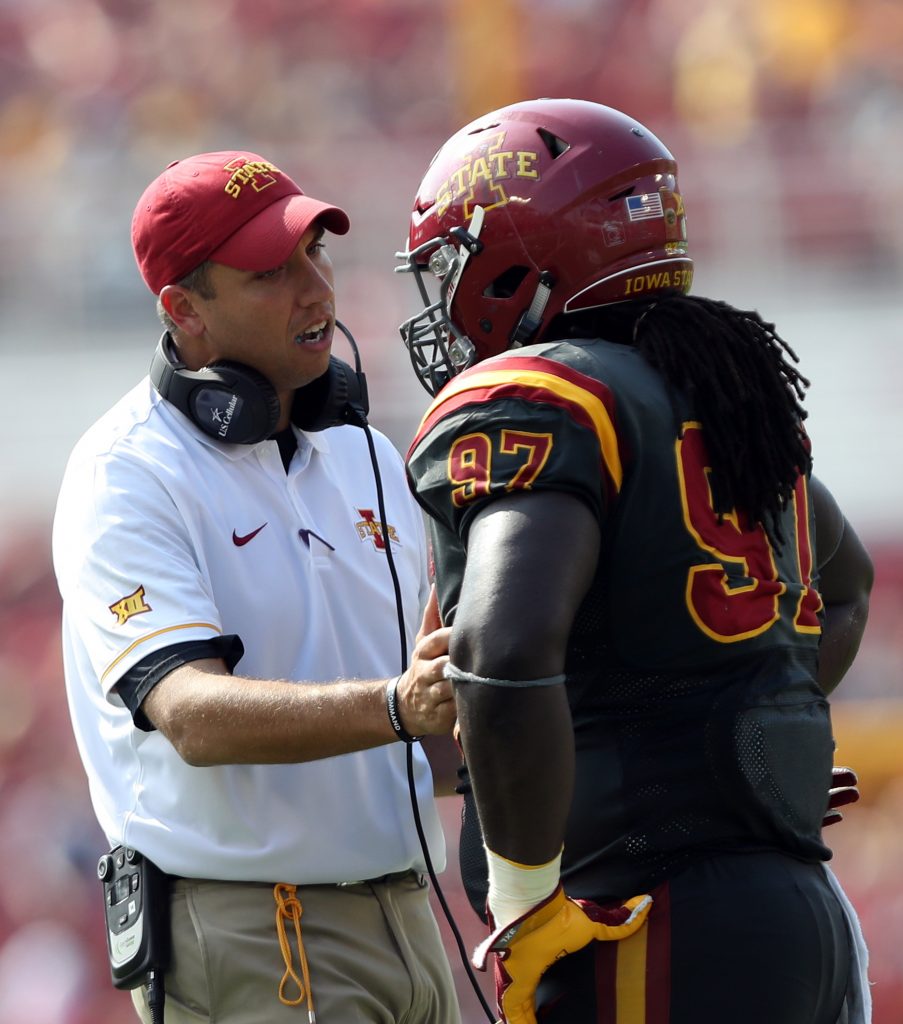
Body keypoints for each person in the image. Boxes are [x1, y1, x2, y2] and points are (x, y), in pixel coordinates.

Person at [395, 99, 875, 1024]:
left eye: (450, 263)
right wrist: (749, 749)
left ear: (517, 253)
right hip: (790, 913)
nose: (444, 295)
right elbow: (844, 590)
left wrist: (523, 898)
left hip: (635, 915)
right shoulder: (718, 391)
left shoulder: (540, 396)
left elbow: (502, 652)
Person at [52, 150, 463, 1024]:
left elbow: (432, 724)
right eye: (272, 273)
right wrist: (397, 704)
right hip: (253, 930)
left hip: (409, 917)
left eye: (318, 254)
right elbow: (192, 715)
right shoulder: (126, 472)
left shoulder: (366, 451)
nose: (317, 291)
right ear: (183, 310)